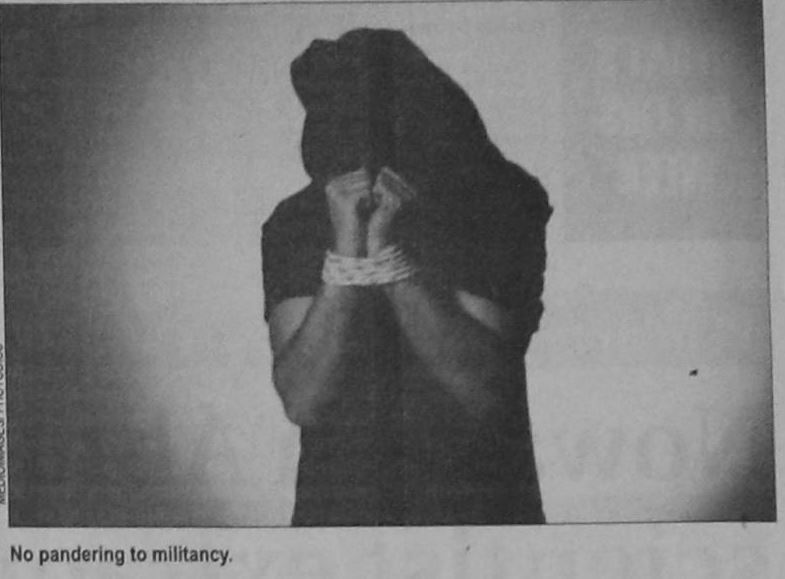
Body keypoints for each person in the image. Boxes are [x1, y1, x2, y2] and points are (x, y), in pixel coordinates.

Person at [262, 28, 552, 526]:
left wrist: (388, 261)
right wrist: (346, 256)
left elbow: (484, 390)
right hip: (340, 525)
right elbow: (303, 400)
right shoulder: (298, 221)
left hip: (479, 522)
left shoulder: (498, 203)